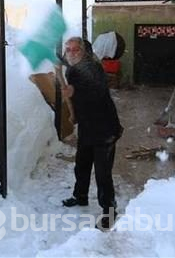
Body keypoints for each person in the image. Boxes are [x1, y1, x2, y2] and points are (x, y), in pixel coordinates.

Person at [60, 36, 123, 230]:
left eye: (75, 49)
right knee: (82, 164)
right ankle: (80, 196)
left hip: (104, 129)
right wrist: (74, 114)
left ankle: (110, 211)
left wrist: (74, 91)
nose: (71, 53)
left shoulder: (92, 68)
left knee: (103, 173)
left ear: (84, 51)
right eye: (68, 49)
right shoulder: (72, 68)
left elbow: (96, 90)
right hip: (88, 127)